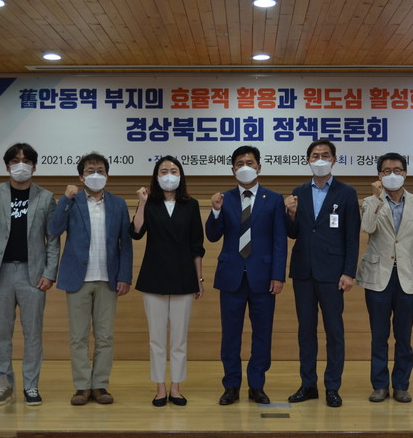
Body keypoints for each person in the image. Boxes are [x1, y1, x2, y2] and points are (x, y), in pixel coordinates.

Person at [0, 142, 59, 406]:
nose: (21, 166)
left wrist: (50, 272)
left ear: (34, 167)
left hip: (33, 274)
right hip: (0, 273)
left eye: (26, 161)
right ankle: (3, 386)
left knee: (33, 334)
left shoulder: (45, 197)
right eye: (16, 161)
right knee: (2, 334)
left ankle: (31, 386)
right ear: (7, 166)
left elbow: (53, 239)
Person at [205, 145, 287, 406]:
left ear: (259, 167)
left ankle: (257, 385)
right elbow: (213, 236)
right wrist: (215, 211)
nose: (245, 167)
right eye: (239, 164)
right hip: (231, 277)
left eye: (249, 163)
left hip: (263, 277)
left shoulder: (274, 199)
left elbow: (279, 241)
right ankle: (231, 386)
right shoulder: (224, 198)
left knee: (262, 334)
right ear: (233, 170)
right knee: (230, 335)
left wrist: (278, 276)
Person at [50, 152, 132, 406]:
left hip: (108, 278)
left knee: (105, 337)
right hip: (78, 279)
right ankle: (82, 386)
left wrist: (125, 276)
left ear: (107, 175)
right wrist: (65, 199)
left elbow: (126, 244)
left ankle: (100, 385)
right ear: (80, 176)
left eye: (100, 171)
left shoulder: (118, 204)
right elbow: (53, 229)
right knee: (79, 337)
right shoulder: (72, 201)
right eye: (90, 171)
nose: (95, 175)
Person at [285, 139, 360, 408]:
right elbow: (293, 233)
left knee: (334, 331)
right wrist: (291, 214)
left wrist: (349, 272)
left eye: (325, 155)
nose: (320, 160)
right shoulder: (298, 192)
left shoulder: (347, 193)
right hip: (303, 271)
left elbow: (352, 236)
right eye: (315, 155)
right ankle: (308, 385)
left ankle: (332, 386)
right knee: (306, 331)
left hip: (333, 273)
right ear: (307, 160)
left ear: (334, 160)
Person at [357, 152, 413, 404]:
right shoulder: (370, 201)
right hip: (378, 276)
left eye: (397, 170)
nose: (392, 175)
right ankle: (379, 385)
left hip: (408, 277)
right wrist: (378, 199)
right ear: (379, 175)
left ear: (405, 173)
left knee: (404, 336)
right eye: (386, 171)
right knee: (379, 336)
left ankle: (401, 385)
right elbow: (367, 228)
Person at [130, 156, 206, 407]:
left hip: (184, 278)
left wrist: (199, 278)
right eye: (163, 171)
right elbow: (136, 232)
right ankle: (160, 387)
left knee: (179, 339)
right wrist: (142, 203)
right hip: (154, 277)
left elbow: (197, 245)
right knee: (156, 338)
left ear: (181, 175)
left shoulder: (191, 204)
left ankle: (176, 387)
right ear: (156, 176)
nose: (169, 174)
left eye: (173, 170)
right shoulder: (150, 203)